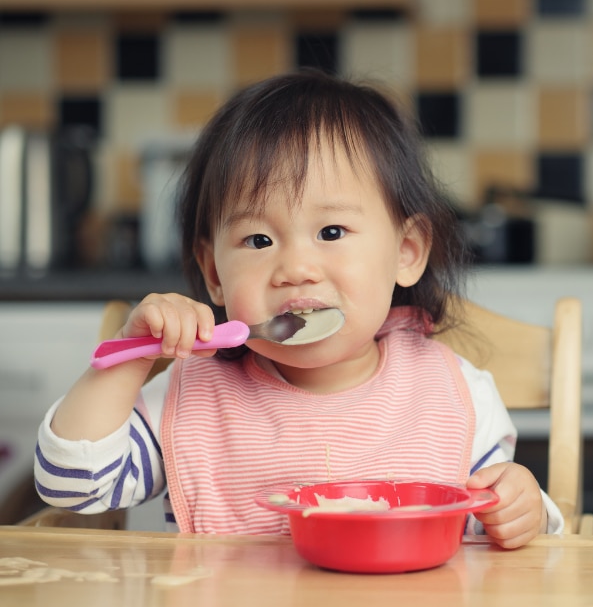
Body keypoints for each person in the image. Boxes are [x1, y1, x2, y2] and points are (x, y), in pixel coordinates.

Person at [34, 70, 563, 548]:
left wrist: (523, 506)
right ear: (214, 273)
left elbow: (494, 517)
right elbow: (70, 485)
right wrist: (132, 356)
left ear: (406, 253)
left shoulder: (456, 393)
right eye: (259, 240)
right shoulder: (191, 396)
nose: (295, 268)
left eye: (331, 232)